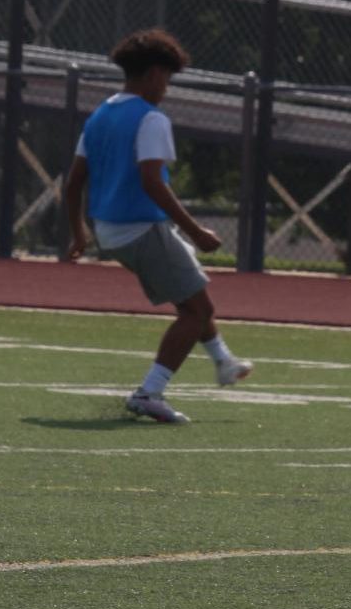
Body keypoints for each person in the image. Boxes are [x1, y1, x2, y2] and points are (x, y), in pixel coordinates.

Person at [64, 28, 251, 425]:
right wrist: (197, 231)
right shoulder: (151, 119)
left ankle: (224, 362)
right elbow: (152, 181)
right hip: (141, 228)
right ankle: (149, 392)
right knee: (196, 311)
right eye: (166, 78)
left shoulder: (100, 115)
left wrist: (79, 231)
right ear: (152, 74)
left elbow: (74, 181)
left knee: (195, 298)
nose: (166, 88)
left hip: (110, 230)